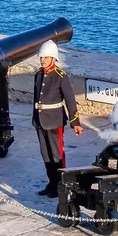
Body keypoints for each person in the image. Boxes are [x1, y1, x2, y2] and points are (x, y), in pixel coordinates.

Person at [32, 39, 83, 196]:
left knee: (56, 154)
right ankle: (52, 183)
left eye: (46, 57)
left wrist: (76, 123)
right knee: (45, 153)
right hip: (40, 120)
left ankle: (62, 185)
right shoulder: (38, 75)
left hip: (54, 120)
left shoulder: (61, 76)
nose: (43, 60)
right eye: (42, 57)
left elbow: (70, 100)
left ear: (54, 58)